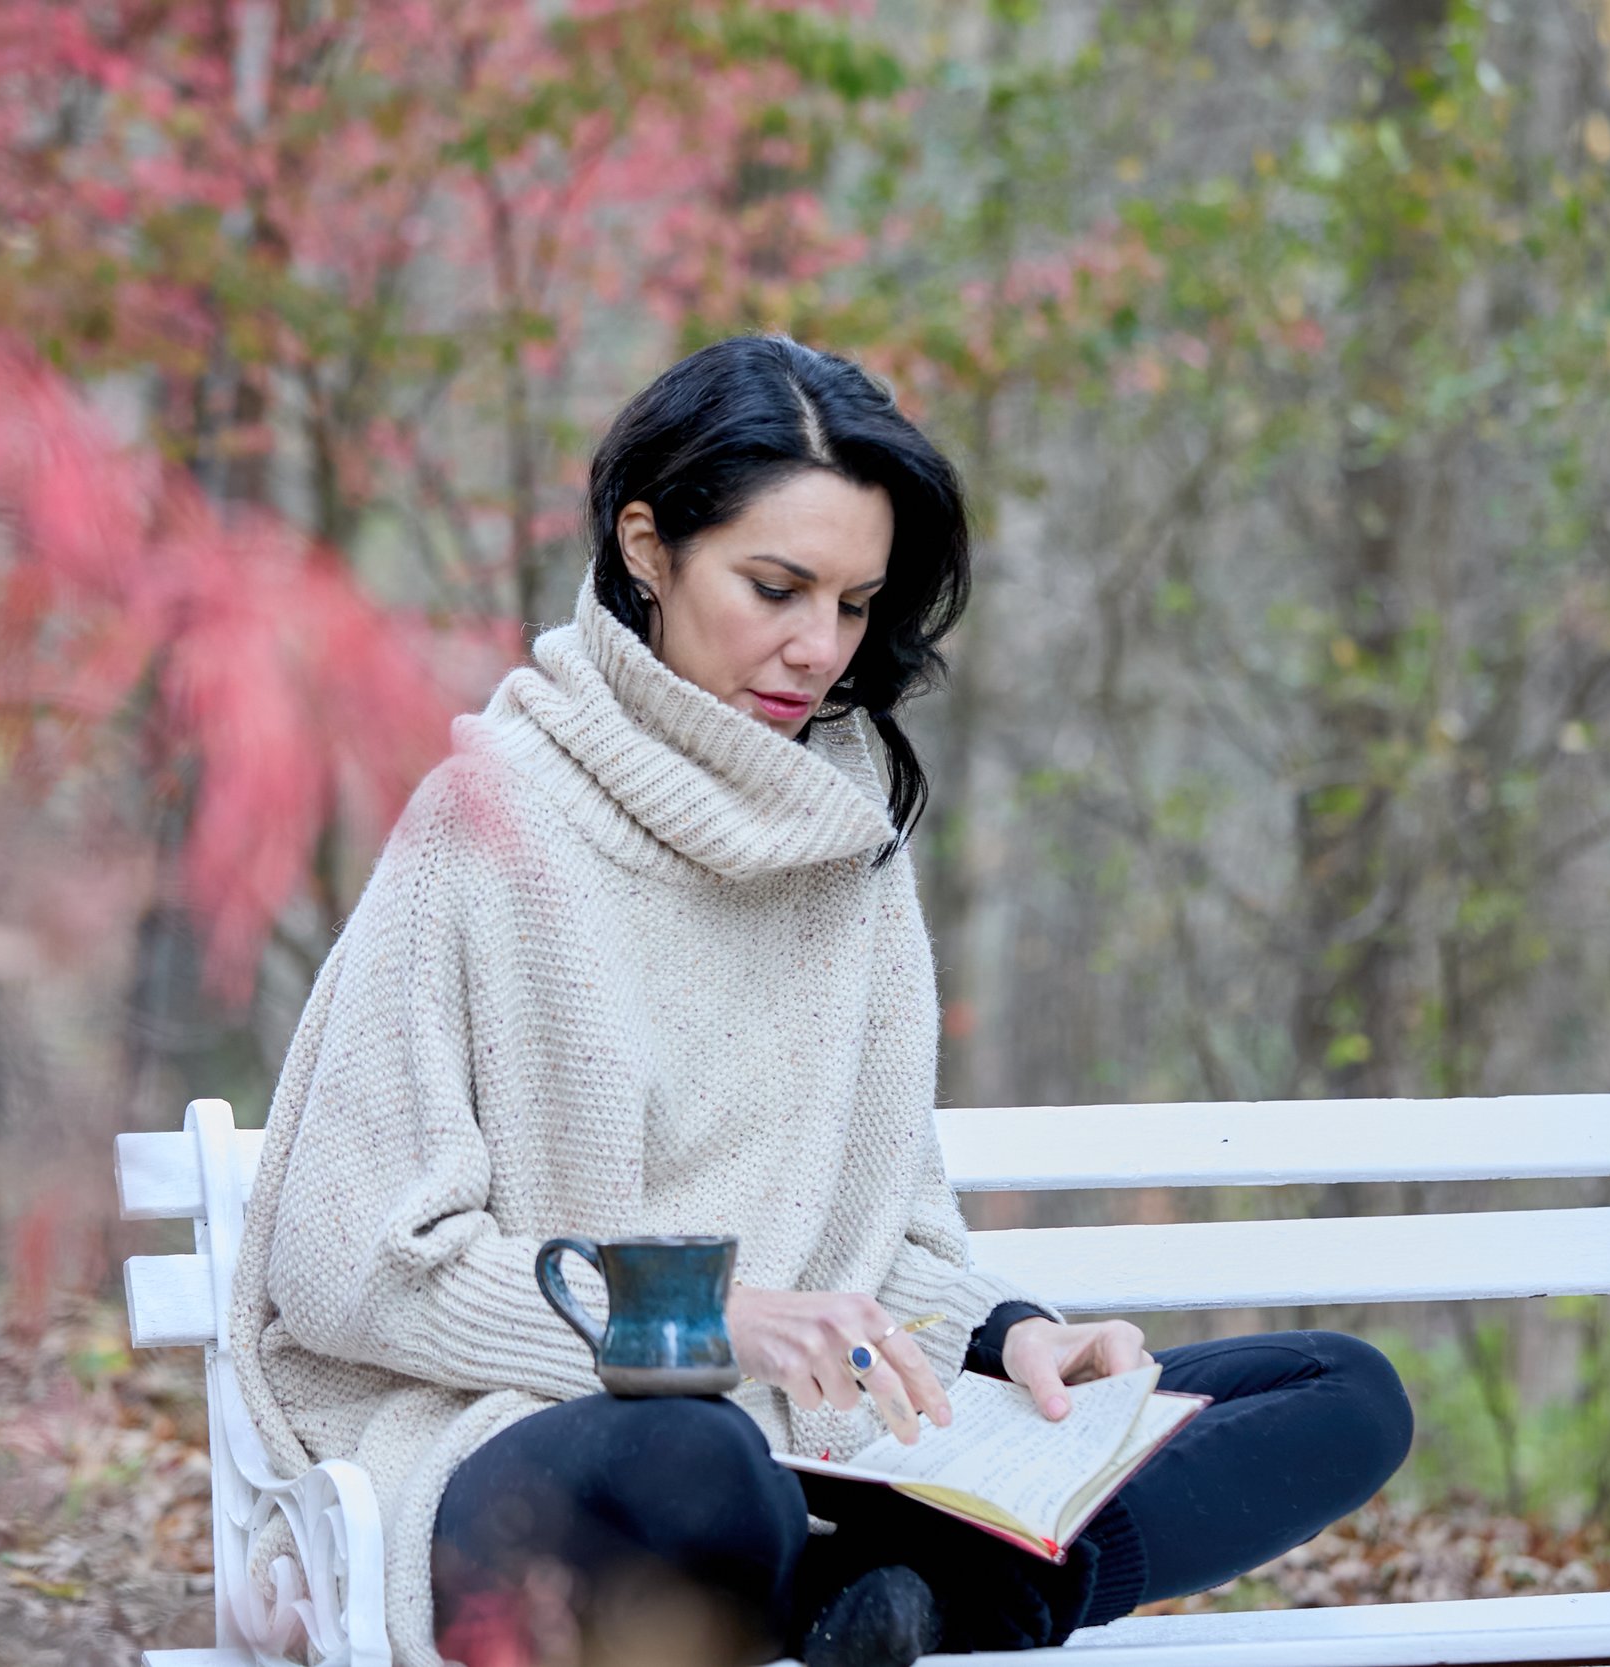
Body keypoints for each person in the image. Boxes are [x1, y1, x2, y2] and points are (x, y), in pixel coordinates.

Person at [225, 335, 1413, 1667]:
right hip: (539, 1453)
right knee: (697, 1454)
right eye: (776, 587)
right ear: (645, 547)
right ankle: (905, 1598)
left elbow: (876, 1239)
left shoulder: (846, 845)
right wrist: (702, 1328)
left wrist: (1012, 1338)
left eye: (854, 603)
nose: (816, 648)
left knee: (1339, 1397)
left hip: (828, 1443)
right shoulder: (486, 824)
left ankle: (892, 1600)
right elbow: (348, 1267)